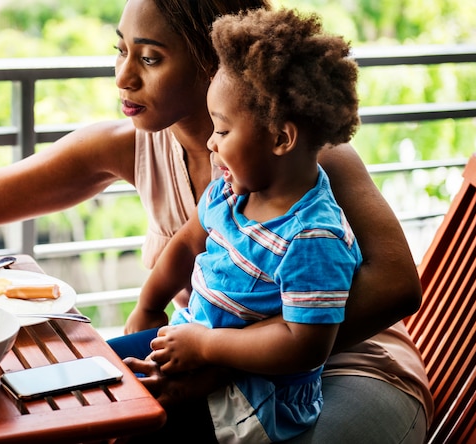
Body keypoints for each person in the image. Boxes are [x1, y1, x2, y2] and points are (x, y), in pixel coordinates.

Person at [0, 0, 432, 442]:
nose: (123, 78)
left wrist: (218, 361)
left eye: (150, 58)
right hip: (206, 356)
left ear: (216, 59)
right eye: (120, 50)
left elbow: (398, 285)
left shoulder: (302, 153)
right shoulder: (139, 143)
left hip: (346, 369)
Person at [111, 7, 364, 442]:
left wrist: (205, 347)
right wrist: (148, 306)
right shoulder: (232, 191)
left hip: (253, 398)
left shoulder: (313, 236)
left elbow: (303, 345)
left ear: (281, 138)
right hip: (194, 337)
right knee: (100, 370)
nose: (211, 142)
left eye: (223, 131)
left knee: (128, 425)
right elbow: (187, 242)